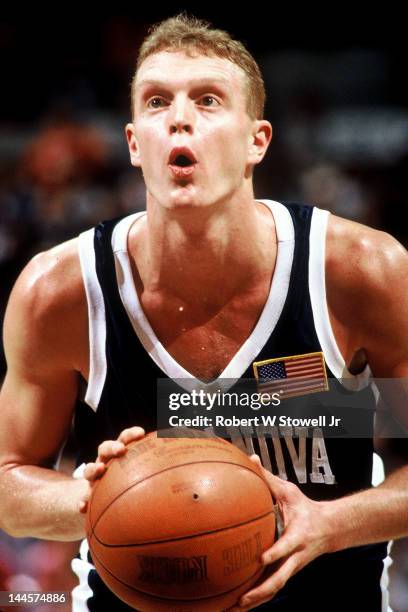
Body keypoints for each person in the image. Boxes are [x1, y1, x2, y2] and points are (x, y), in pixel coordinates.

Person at [0, 14, 407, 612]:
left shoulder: (359, 275)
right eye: (157, 101)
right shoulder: (60, 293)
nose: (179, 118)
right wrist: (87, 497)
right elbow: (9, 482)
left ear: (257, 140)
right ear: (136, 142)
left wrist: (330, 524)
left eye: (208, 100)